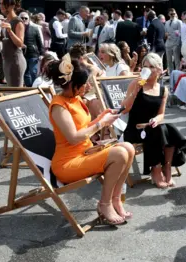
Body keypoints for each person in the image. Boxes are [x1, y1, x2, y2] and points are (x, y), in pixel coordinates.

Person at [47, 55, 135, 225]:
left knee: (129, 148)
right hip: (68, 162)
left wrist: (101, 118)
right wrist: (101, 123)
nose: (88, 86)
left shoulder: (75, 99)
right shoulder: (59, 106)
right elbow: (73, 138)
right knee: (119, 154)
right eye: (84, 84)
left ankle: (115, 199)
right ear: (72, 85)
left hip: (85, 152)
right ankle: (105, 204)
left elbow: (83, 127)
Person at [121, 53, 186, 188]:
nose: (147, 70)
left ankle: (167, 167)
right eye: (144, 67)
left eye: (151, 67)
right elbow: (124, 109)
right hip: (135, 129)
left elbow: (161, 114)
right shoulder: (136, 84)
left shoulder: (163, 90)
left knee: (168, 128)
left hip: (153, 128)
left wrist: (155, 120)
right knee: (157, 130)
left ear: (159, 70)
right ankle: (156, 170)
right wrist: (135, 91)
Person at [0, 0, 26, 87]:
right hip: (7, 60)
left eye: (4, 3)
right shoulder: (6, 20)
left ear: (12, 6)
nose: (1, 6)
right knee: (11, 91)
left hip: (15, 61)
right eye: (0, 3)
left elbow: (20, 44)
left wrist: (10, 30)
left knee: (15, 93)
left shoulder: (18, 22)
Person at [20, 12, 43, 87]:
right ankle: (29, 88)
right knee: (25, 72)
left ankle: (35, 87)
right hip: (22, 54)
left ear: (29, 19)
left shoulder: (35, 28)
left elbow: (39, 41)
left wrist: (41, 53)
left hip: (33, 53)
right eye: (22, 18)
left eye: (25, 18)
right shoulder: (17, 28)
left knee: (33, 71)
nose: (23, 19)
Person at [165, 8, 182, 75]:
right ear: (169, 14)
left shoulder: (179, 22)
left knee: (177, 60)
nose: (173, 15)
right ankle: (171, 75)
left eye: (174, 13)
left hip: (176, 43)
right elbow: (165, 32)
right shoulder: (166, 22)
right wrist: (166, 34)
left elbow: (180, 33)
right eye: (171, 14)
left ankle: (177, 74)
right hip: (168, 43)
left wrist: (178, 43)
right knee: (169, 60)